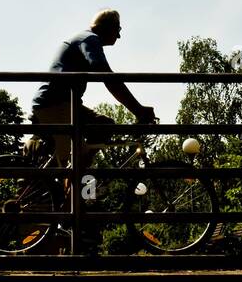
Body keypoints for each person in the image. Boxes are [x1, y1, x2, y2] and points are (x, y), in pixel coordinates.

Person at [30, 9, 156, 170]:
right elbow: (108, 77)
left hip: (62, 103)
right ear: (107, 27)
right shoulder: (89, 39)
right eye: (118, 29)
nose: (119, 36)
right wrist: (138, 110)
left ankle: (68, 179)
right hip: (54, 104)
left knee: (105, 126)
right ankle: (67, 185)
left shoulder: (86, 38)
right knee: (79, 155)